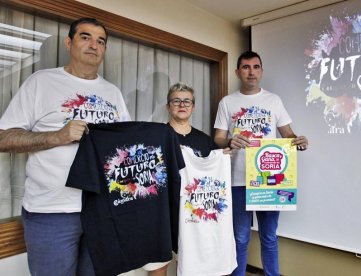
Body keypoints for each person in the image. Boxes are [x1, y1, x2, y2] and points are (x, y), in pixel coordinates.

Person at [0, 18, 130, 275]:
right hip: (51, 211)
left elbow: (124, 147)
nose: (94, 45)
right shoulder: (41, 82)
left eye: (100, 41)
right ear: (69, 43)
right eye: (85, 37)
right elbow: (4, 138)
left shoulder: (112, 92)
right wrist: (57, 136)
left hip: (101, 210)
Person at [214, 50, 309, 276]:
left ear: (262, 71)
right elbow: (218, 138)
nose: (251, 72)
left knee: (269, 236)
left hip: (270, 179)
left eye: (256, 67)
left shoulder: (273, 100)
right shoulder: (227, 102)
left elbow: (287, 134)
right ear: (238, 72)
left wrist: (298, 140)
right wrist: (229, 140)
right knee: (240, 237)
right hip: (237, 179)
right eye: (246, 67)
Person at [159, 82, 236, 276]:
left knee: (197, 262)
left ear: (193, 107)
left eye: (187, 101)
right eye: (176, 101)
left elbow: (212, 174)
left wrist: (223, 157)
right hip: (165, 211)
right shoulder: (158, 136)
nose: (182, 105)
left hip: (194, 214)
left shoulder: (204, 140)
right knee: (159, 264)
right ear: (168, 106)